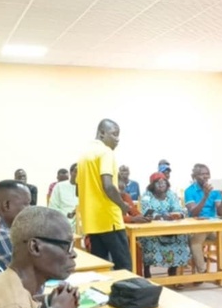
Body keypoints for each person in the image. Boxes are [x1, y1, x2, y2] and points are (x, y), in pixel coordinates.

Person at [77, 119, 132, 271]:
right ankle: (128, 296)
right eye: (114, 134)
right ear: (102, 133)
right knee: (124, 266)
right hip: (109, 219)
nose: (117, 139)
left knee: (100, 268)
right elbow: (108, 185)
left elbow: (77, 189)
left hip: (91, 221)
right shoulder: (106, 152)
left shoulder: (83, 155)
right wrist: (122, 205)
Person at [185, 163, 222, 277]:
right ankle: (202, 272)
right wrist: (205, 197)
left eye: (207, 174)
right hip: (197, 226)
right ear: (195, 176)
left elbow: (220, 212)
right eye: (202, 174)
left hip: (213, 226)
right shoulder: (189, 191)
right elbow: (193, 212)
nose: (206, 177)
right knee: (195, 243)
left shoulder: (215, 189)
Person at [140, 172, 191, 278]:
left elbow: (178, 208)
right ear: (152, 185)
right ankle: (147, 270)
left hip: (171, 228)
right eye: (158, 183)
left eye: (163, 182)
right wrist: (160, 217)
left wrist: (177, 215)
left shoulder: (171, 194)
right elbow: (146, 212)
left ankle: (173, 269)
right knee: (148, 239)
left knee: (181, 237)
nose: (161, 185)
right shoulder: (146, 196)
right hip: (153, 230)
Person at [0, 180, 32, 269]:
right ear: (7, 205)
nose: (29, 209)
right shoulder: (0, 235)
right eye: (26, 204)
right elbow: (23, 272)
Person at [50, 163, 79, 232]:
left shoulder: (86, 188)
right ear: (71, 173)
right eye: (76, 171)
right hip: (63, 222)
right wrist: (66, 215)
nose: (79, 175)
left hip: (81, 223)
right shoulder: (59, 186)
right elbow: (53, 208)